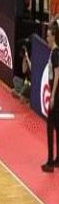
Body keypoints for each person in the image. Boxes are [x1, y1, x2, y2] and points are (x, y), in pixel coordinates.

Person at [42, 22, 59, 171]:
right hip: (57, 94)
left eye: (48, 36)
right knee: (57, 126)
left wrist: (52, 96)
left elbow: (58, 74)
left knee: (50, 126)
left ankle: (50, 162)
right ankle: (58, 159)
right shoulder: (53, 52)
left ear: (54, 37)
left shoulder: (55, 54)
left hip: (57, 95)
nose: (47, 38)